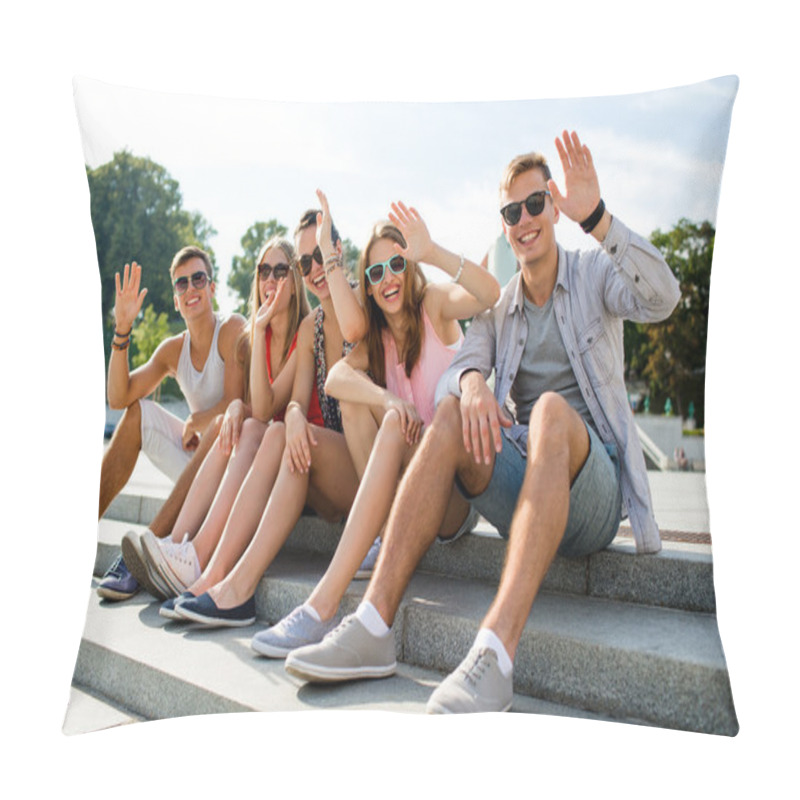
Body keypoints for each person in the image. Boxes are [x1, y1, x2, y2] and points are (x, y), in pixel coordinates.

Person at [282, 131, 681, 713]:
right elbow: (469, 359)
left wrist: (597, 217)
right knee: (448, 411)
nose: (524, 220)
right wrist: (471, 385)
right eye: (511, 211)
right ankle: (372, 624)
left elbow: (663, 298)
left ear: (555, 206)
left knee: (548, 410)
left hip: (592, 492)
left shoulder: (594, 274)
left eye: (536, 204)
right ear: (504, 223)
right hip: (527, 483)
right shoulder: (502, 307)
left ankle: (495, 652)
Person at [250, 201, 500, 657]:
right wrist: (387, 398)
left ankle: (320, 607)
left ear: (409, 268)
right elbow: (340, 377)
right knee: (358, 403)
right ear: (366, 283)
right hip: (416, 486)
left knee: (388, 426)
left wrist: (435, 253)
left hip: (457, 496)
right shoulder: (378, 338)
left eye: (397, 265)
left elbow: (490, 294)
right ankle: (376, 541)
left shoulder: (434, 307)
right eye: (376, 272)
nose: (387, 279)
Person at [167, 193, 368, 625]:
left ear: (339, 252)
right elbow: (276, 405)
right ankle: (217, 576)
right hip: (324, 476)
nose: (314, 269)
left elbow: (353, 334)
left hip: (368, 471)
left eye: (322, 256)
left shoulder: (362, 301)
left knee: (271, 430)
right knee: (271, 429)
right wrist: (259, 333)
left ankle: (222, 575)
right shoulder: (310, 326)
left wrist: (291, 415)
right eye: (306, 262)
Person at [122, 235, 310, 600]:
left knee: (249, 426)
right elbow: (255, 403)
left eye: (280, 271)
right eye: (263, 271)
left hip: (294, 459)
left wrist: (235, 407)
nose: (270, 279)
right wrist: (236, 406)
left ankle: (185, 550)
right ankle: (176, 550)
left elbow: (269, 407)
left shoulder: (299, 332)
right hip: (259, 453)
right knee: (239, 423)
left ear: (295, 281)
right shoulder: (253, 337)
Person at [97, 247, 246, 601]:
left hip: (235, 472)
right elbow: (118, 398)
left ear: (212, 288)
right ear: (176, 300)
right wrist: (122, 329)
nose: (190, 288)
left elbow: (237, 403)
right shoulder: (172, 350)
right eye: (181, 283)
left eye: (198, 279)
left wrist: (199, 420)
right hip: (197, 465)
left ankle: (139, 554)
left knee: (219, 423)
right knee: (137, 413)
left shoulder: (232, 329)